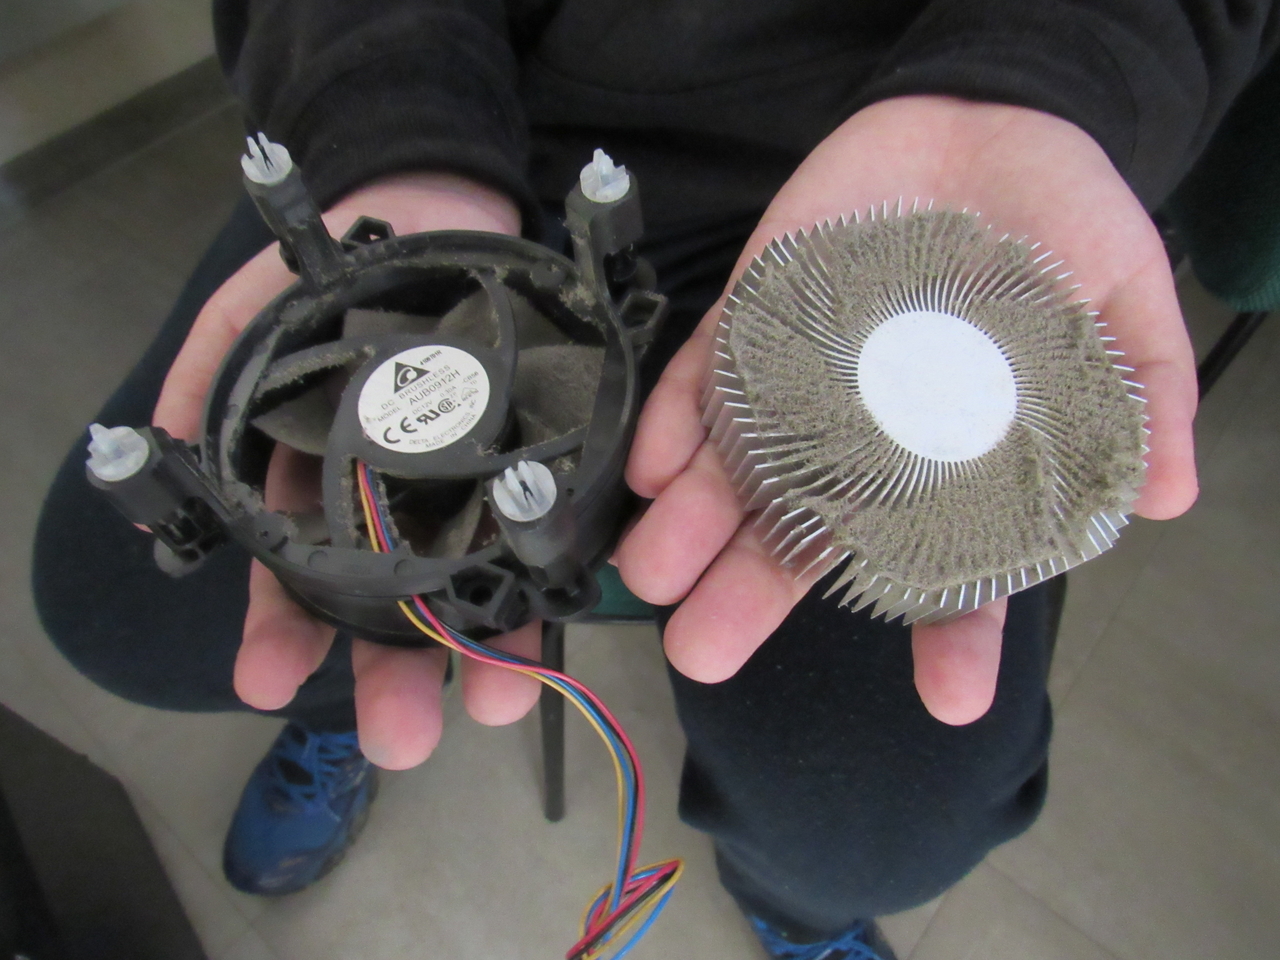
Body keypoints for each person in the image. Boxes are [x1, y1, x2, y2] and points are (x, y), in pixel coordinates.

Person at [31, 1, 1277, 956]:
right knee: (119, 602)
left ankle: (787, 902)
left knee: (873, 821)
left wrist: (1051, 76)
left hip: (900, 190)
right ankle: (357, 678)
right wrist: (386, 117)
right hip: (462, 142)